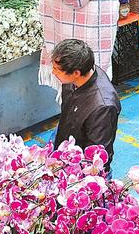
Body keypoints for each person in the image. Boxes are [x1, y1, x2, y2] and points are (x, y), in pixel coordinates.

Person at [51, 39, 121, 169]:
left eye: (57, 69)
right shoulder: (74, 79)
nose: (53, 72)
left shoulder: (103, 107)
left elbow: (97, 155)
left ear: (76, 73)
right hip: (66, 139)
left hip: (81, 166)